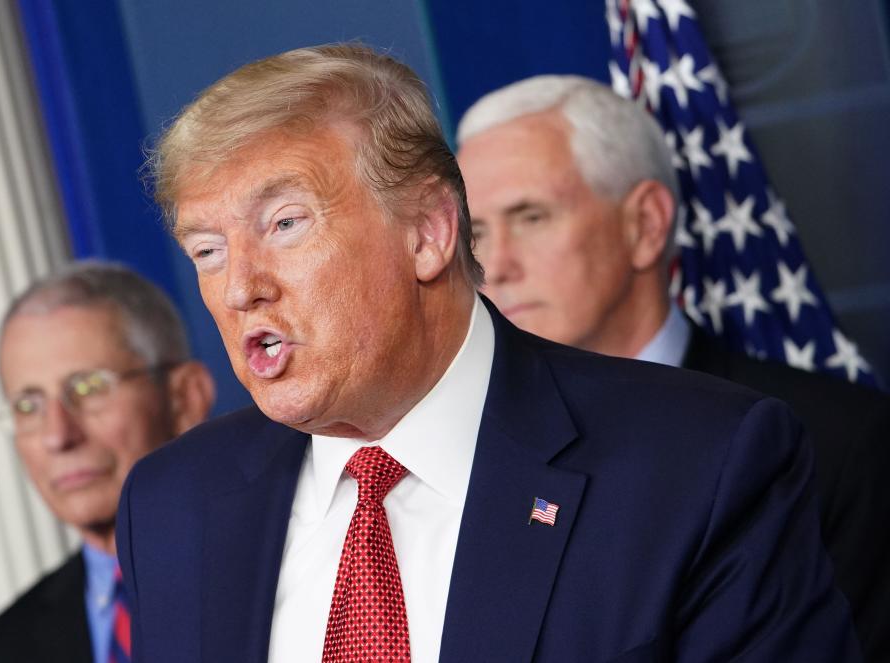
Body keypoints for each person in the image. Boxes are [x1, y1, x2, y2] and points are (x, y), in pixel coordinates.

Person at [117, 44, 860, 662]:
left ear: (430, 232)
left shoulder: (699, 464)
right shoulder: (172, 506)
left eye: (284, 224)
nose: (241, 286)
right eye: (207, 250)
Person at [456, 74, 890, 661]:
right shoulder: (455, 453)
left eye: (531, 216)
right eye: (476, 232)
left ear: (646, 224)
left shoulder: (837, 442)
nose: (495, 264)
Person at [0, 262, 216, 663]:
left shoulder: (288, 565)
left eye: (89, 387)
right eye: (28, 406)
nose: (58, 436)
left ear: (185, 398)